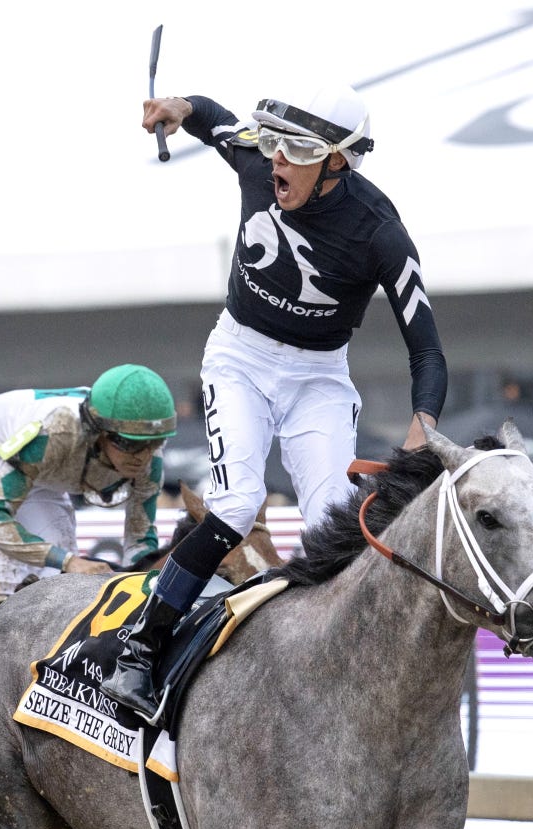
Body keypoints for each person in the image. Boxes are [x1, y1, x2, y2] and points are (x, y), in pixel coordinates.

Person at [100, 83, 448, 722]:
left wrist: (424, 422)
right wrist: (178, 107)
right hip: (240, 360)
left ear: (338, 161)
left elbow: (427, 352)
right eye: (276, 145)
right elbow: (213, 119)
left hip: (319, 379)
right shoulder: (262, 160)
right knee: (235, 505)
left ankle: (338, 667)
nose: (278, 162)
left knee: (335, 525)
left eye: (297, 150)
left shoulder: (381, 232)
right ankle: (141, 648)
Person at [0, 364, 177, 673]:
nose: (141, 455)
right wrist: (69, 560)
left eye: (153, 443)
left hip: (41, 474)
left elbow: (140, 541)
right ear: (99, 431)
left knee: (61, 585)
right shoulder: (55, 434)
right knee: (5, 575)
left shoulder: (150, 461)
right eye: (128, 443)